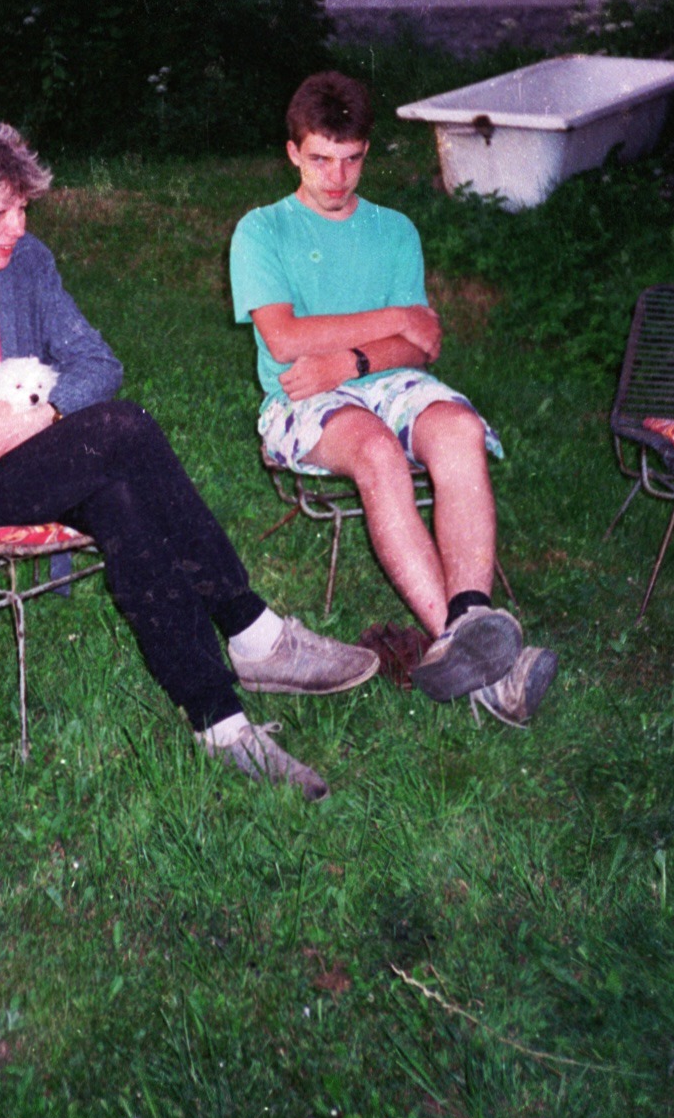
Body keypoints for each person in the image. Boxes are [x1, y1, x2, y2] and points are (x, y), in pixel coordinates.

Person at [0, 119, 381, 801]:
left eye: (22, 207)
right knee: (122, 429)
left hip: (27, 453)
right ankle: (252, 630)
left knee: (120, 497)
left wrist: (38, 413)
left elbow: (99, 361)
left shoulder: (29, 262)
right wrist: (38, 412)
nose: (16, 226)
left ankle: (220, 722)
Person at [229, 72, 557, 725]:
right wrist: (389, 321)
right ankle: (486, 663)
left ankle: (465, 621)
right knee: (378, 453)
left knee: (458, 426)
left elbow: (423, 343)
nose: (335, 177)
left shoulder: (394, 230)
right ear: (293, 152)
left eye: (350, 160)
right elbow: (284, 337)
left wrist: (348, 358)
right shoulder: (261, 230)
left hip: (376, 379)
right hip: (301, 401)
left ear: (366, 153)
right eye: (320, 159)